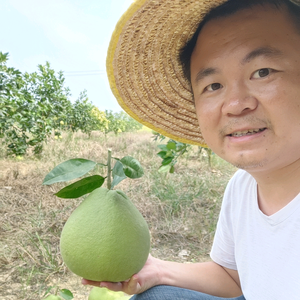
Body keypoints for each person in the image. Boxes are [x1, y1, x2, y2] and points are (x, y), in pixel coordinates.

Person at [82, 0, 300, 298]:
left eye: (262, 72)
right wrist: (158, 271)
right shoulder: (242, 187)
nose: (235, 105)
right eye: (213, 86)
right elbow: (233, 277)